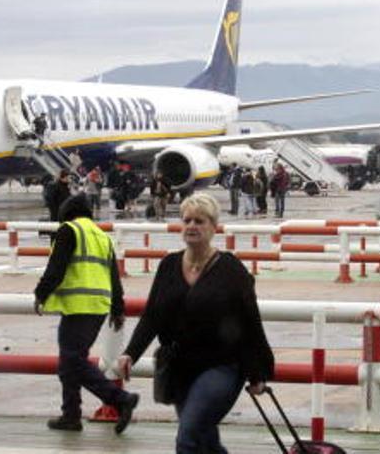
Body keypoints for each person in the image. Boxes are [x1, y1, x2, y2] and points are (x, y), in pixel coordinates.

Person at [116, 193, 274, 453]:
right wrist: (130, 352)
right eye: (187, 220)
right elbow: (152, 315)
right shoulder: (168, 265)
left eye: (199, 221)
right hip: (179, 368)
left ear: (214, 227)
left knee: (188, 437)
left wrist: (258, 373)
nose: (191, 226)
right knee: (205, 441)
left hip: (222, 366)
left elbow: (250, 323)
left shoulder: (232, 271)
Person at [33, 194, 140, 434]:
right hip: (99, 306)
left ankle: (119, 399)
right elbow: (113, 275)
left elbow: (56, 268)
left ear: (66, 214)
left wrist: (40, 293)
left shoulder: (69, 230)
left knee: (72, 361)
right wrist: (118, 307)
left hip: (78, 305)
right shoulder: (101, 236)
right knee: (70, 362)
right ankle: (70, 415)